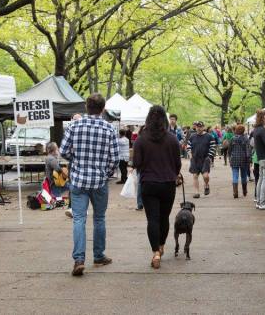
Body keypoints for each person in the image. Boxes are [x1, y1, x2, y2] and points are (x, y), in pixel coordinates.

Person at [60, 93, 119, 277]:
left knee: (79, 219)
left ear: (86, 107)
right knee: (99, 218)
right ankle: (99, 255)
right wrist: (105, 173)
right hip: (99, 181)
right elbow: (115, 159)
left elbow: (63, 151)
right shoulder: (109, 129)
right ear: (102, 109)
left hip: (78, 180)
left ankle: (79, 259)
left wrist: (76, 161)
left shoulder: (74, 126)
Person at [133, 105, 181, 269]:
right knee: (164, 217)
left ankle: (155, 253)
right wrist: (173, 173)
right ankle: (161, 245)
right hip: (168, 183)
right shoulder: (172, 139)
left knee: (152, 219)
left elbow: (136, 163)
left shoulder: (141, 139)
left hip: (148, 184)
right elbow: (178, 163)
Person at [187, 121, 215, 198]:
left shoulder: (209, 136)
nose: (199, 128)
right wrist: (190, 154)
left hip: (205, 159)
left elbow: (213, 147)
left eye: (200, 127)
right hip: (194, 159)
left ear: (203, 127)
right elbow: (188, 146)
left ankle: (206, 185)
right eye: (197, 127)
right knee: (195, 176)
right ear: (195, 127)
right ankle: (196, 192)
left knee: (205, 176)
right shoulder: (192, 136)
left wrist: (209, 156)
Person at [229, 124, 250, 198]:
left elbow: (230, 150)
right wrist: (249, 160)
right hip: (243, 159)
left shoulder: (232, 138)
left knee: (235, 176)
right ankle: (244, 191)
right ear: (243, 130)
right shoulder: (246, 139)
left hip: (234, 159)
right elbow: (248, 151)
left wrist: (230, 158)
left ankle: (235, 193)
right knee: (244, 176)